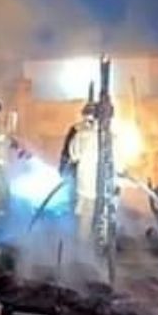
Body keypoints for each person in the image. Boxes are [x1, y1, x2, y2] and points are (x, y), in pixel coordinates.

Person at [60, 101, 100, 240]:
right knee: (99, 213)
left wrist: (64, 170)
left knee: (84, 213)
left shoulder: (78, 133)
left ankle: (83, 246)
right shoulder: (109, 135)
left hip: (83, 180)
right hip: (99, 182)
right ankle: (97, 243)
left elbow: (71, 153)